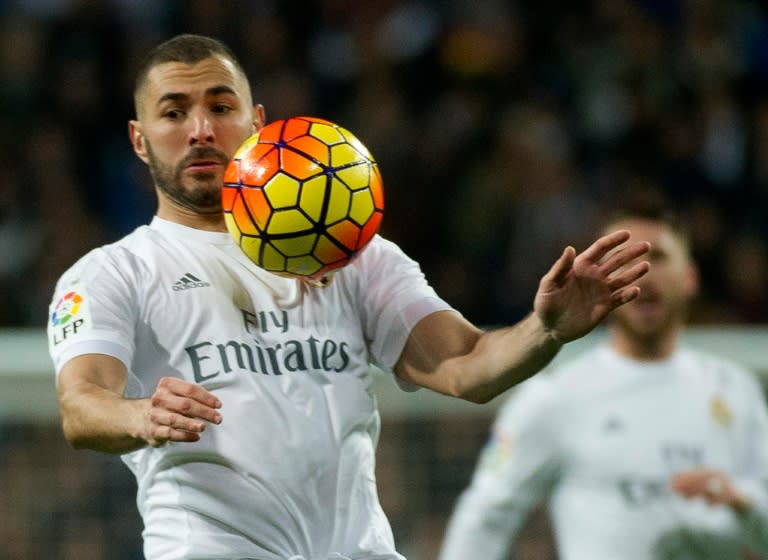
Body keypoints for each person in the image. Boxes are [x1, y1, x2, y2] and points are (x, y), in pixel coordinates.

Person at [46, 33, 650, 560]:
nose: (201, 129)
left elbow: (467, 368)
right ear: (139, 138)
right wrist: (138, 413)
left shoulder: (352, 252)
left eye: (220, 106)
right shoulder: (114, 272)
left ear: (257, 121)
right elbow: (81, 406)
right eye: (173, 113)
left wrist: (544, 329)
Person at [438, 202, 768, 560]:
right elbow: (485, 517)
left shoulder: (735, 388)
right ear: (601, 277)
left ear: (690, 277)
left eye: (657, 256)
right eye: (624, 259)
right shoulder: (556, 396)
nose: (643, 273)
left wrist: (742, 500)